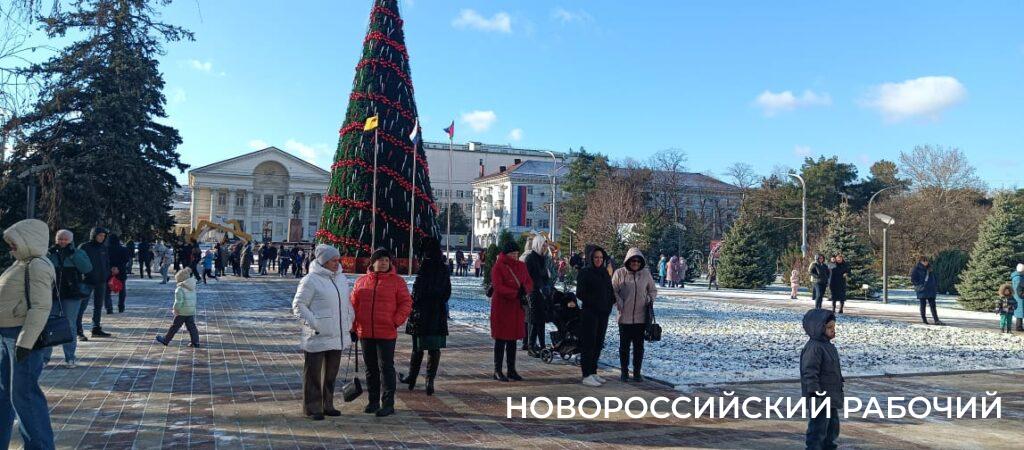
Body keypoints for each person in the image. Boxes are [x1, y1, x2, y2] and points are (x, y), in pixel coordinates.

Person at [1, 219, 57, 449]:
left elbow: (41, 307)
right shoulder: (21, 263)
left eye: (14, 241)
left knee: (24, 396)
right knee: (6, 395)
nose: (10, 246)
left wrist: (25, 343)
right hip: (7, 336)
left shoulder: (37, 265)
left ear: (28, 239)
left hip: (22, 337)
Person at [291, 245, 353, 421]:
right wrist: (314, 323)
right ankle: (312, 408)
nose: (336, 263)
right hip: (317, 334)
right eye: (333, 260)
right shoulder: (310, 280)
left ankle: (328, 404)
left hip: (337, 334)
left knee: (331, 374)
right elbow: (299, 305)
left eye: (338, 260)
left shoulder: (341, 279)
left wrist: (350, 319)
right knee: (313, 374)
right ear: (323, 261)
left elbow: (347, 303)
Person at [351, 248, 412, 417]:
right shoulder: (361, 281)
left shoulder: (397, 282)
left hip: (386, 331)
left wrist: (395, 321)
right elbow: (353, 305)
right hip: (365, 332)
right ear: (373, 262)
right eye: (380, 260)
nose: (384, 263)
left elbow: (406, 303)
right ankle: (373, 401)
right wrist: (353, 327)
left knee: (386, 367)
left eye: (387, 260)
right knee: (370, 368)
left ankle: (388, 403)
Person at [399, 238, 450, 395]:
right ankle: (429, 381)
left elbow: (417, 293)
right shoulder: (443, 267)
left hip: (422, 314)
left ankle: (412, 377)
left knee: (418, 347)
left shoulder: (425, 266)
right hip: (438, 314)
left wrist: (414, 302)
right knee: (434, 349)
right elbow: (447, 292)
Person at [44, 229, 93, 368]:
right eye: (60, 239)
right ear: (55, 239)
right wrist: (49, 255)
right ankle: (45, 358)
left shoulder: (78, 253)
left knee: (70, 324)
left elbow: (87, 268)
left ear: (71, 240)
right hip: (51, 293)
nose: (63, 242)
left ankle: (70, 357)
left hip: (72, 294)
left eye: (66, 239)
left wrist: (73, 255)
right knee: (49, 324)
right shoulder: (50, 253)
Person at [800, 309, 844, 450]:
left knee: (832, 427)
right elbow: (809, 372)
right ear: (818, 328)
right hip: (819, 397)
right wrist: (814, 392)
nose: (833, 330)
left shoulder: (828, 346)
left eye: (834, 327)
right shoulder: (814, 348)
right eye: (829, 327)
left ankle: (829, 446)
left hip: (830, 396)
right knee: (818, 428)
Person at [612, 248, 656, 383]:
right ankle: (624, 372)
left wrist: (648, 299)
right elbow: (613, 290)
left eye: (638, 261)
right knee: (624, 347)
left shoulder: (646, 274)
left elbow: (653, 290)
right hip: (624, 317)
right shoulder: (619, 273)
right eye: (633, 261)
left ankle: (637, 373)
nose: (635, 263)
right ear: (628, 261)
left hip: (641, 318)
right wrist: (619, 302)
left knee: (639, 347)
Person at [490, 240, 531, 382]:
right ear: (506, 254)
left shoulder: (521, 266)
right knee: (501, 339)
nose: (515, 256)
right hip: (502, 307)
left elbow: (528, 281)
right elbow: (498, 286)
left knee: (512, 339)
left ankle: (511, 370)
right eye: (512, 254)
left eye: (516, 253)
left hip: (515, 307)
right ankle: (497, 370)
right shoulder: (498, 266)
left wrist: (525, 290)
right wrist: (515, 293)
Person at [576, 245, 615, 387]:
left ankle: (593, 371)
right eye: (596, 258)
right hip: (590, 313)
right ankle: (586, 374)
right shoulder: (585, 272)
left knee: (599, 343)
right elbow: (580, 293)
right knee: (589, 344)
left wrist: (610, 303)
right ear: (591, 258)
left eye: (601, 258)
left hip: (603, 313)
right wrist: (595, 302)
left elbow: (609, 290)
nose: (598, 260)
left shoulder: (604, 272)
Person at [78, 227, 112, 338]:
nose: (102, 238)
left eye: (103, 236)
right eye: (100, 235)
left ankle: (96, 328)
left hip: (101, 281)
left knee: (98, 306)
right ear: (94, 235)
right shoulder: (84, 247)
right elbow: (79, 263)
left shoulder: (103, 247)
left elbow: (106, 263)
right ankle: (78, 330)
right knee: (82, 307)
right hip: (87, 281)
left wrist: (107, 274)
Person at [155, 268, 201, 348]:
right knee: (192, 327)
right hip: (190, 310)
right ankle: (195, 342)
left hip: (182, 311)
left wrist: (176, 310)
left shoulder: (179, 289)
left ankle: (166, 340)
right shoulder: (192, 287)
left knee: (174, 326)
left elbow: (178, 302)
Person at [524, 236, 550, 356]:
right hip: (532, 292)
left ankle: (542, 345)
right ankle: (531, 346)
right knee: (534, 320)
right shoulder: (530, 258)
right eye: (543, 245)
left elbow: (544, 275)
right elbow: (526, 276)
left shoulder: (542, 258)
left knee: (541, 320)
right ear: (538, 245)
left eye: (545, 246)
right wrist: (533, 288)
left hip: (541, 293)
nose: (545, 248)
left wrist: (546, 286)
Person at [910, 256, 942, 325]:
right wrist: (919, 284)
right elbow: (913, 279)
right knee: (923, 305)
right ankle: (924, 320)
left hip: (931, 289)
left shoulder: (930, 268)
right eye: (924, 261)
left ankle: (936, 320)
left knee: (933, 305)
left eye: (926, 261)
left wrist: (935, 284)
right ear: (920, 261)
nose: (926, 262)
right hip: (922, 289)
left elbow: (934, 277)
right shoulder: (916, 269)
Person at [107, 233, 130, 313]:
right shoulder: (123, 249)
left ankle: (109, 308)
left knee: (107, 290)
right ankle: (121, 306)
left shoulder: (106, 249)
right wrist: (118, 267)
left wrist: (111, 268)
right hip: (121, 271)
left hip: (108, 271)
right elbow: (126, 259)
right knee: (122, 290)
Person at [1012, 264, 1024, 332]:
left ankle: (1019, 326)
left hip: (1017, 296)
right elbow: (1019, 288)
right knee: (1020, 312)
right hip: (1020, 297)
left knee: (1019, 312)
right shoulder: (1019, 278)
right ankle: (1019, 327)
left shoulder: (1015, 277)